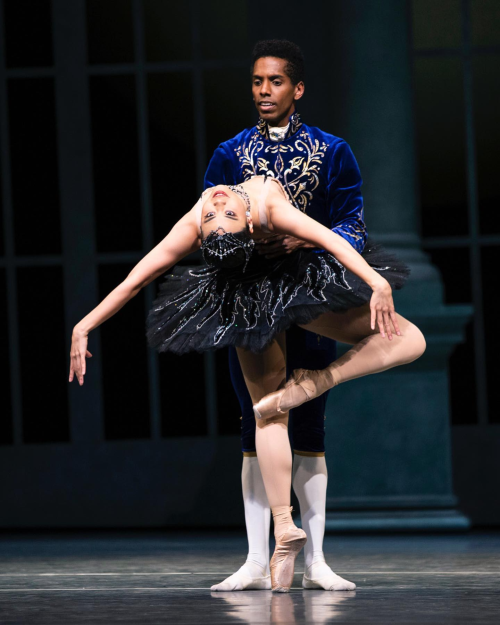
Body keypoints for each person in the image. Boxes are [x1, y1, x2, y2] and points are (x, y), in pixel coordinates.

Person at [69, 175, 426, 592]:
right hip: (246, 300)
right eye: (219, 215)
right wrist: (85, 323)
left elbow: (331, 240)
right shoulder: (254, 206)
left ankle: (316, 382)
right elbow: (137, 278)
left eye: (220, 214)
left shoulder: (231, 208)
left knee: (411, 339)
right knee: (267, 410)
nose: (217, 205)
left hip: (296, 284)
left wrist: (377, 282)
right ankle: (283, 528)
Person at [204, 39, 368, 592]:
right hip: (248, 301)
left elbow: (354, 225)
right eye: (256, 82)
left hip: (311, 298)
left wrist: (304, 245)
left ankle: (317, 559)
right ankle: (255, 558)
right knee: (254, 424)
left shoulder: (332, 151)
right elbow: (211, 226)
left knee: (310, 426)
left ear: (297, 88)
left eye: (275, 82)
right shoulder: (230, 153)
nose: (264, 91)